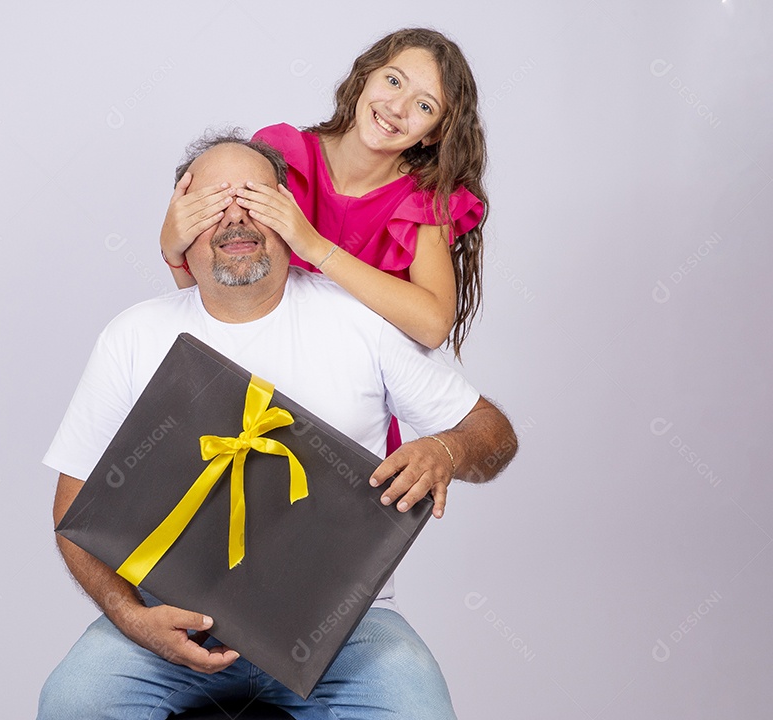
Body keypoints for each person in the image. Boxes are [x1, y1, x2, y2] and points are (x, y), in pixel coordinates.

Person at [37, 135, 517, 719]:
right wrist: (130, 616)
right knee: (73, 700)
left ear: (289, 212)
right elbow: (72, 508)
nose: (236, 216)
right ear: (181, 222)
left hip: (345, 631)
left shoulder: (359, 319)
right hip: (173, 623)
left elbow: (492, 434)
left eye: (255, 197)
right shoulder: (133, 336)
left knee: (417, 707)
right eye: (213, 202)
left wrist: (445, 449)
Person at [159, 28, 488, 453]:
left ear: (433, 134)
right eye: (393, 81)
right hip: (246, 396)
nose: (397, 107)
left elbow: (433, 324)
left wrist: (314, 246)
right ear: (364, 78)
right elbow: (217, 294)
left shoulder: (423, 203)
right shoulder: (282, 155)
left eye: (424, 106)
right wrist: (173, 253)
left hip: (348, 420)